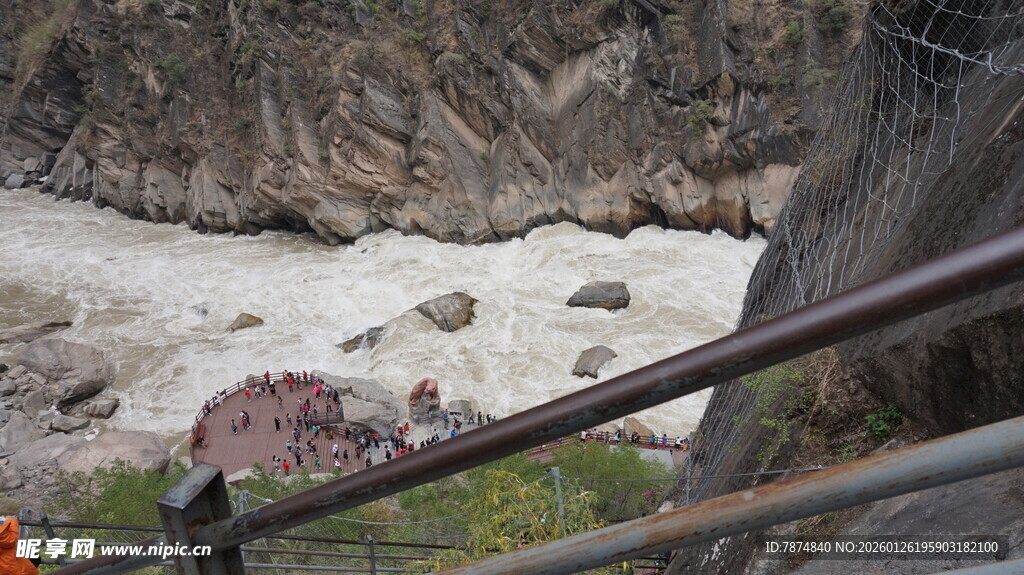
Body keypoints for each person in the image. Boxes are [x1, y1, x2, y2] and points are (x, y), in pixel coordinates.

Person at [0, 502, 39, 575]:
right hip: (9, 566)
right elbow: (10, 540)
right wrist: (12, 520)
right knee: (34, 557)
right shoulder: (4, 525)